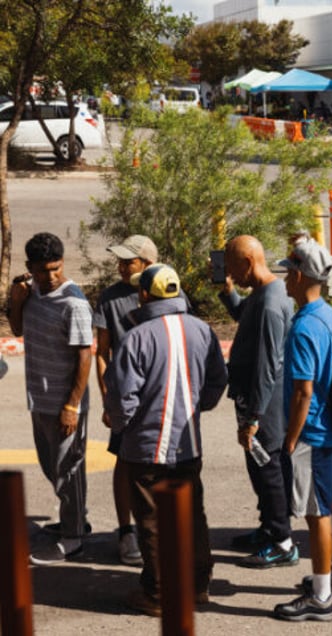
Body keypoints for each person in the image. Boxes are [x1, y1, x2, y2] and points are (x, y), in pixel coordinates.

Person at [104, 264, 227, 616]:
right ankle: (199, 585)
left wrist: (121, 424)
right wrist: (195, 407)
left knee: (153, 522)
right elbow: (218, 380)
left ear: (144, 294)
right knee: (193, 516)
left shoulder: (137, 337)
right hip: (188, 444)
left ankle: (158, 594)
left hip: (146, 448)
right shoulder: (202, 330)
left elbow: (122, 397)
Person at [273, 238, 332, 622]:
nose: (285, 278)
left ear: (300, 275)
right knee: (330, 508)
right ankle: (328, 577)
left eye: (288, 271)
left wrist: (290, 438)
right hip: (331, 428)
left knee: (316, 514)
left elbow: (303, 391)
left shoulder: (303, 327)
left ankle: (322, 597)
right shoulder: (330, 315)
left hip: (312, 433)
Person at [9, 233, 93, 565]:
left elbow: (85, 356)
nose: (51, 276)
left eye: (56, 268)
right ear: (30, 267)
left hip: (64, 405)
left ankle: (74, 538)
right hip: (39, 399)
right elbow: (17, 329)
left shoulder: (73, 302)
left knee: (68, 470)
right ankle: (75, 520)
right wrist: (17, 300)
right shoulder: (30, 293)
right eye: (43, 270)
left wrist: (72, 405)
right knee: (52, 467)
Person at [218, 236, 299, 569]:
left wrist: (254, 416)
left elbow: (268, 367)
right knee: (260, 466)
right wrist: (227, 292)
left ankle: (282, 541)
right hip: (256, 400)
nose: (232, 274)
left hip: (264, 403)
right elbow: (244, 317)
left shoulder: (269, 303)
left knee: (269, 469)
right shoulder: (261, 294)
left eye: (233, 268)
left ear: (248, 262)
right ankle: (268, 528)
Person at [94, 235, 160, 567]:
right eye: (119, 261)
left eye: (128, 262)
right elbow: (102, 353)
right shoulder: (109, 298)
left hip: (160, 397)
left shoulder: (167, 291)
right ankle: (125, 531)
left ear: (147, 265)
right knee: (123, 462)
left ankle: (161, 530)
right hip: (126, 397)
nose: (121, 267)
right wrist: (108, 399)